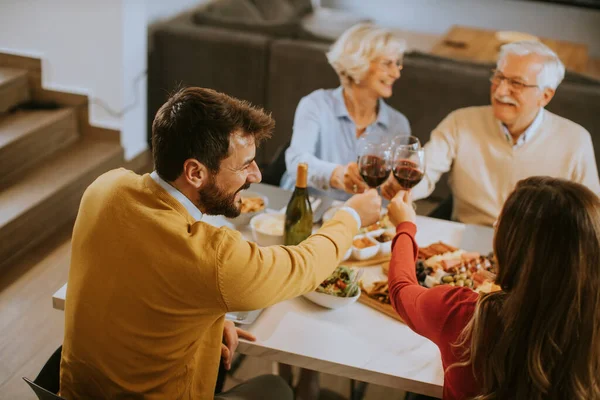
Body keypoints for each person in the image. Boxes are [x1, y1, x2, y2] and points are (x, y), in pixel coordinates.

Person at [59, 87, 382, 399]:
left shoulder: (105, 186)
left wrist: (207, 319)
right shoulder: (215, 257)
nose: (256, 175)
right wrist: (350, 217)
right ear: (195, 172)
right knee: (275, 388)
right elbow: (303, 266)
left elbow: (140, 282)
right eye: (244, 165)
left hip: (73, 392)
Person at [386, 177, 600, 399]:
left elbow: (401, 289)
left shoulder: (464, 315)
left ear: (511, 247)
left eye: (499, 224)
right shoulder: (589, 331)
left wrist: (405, 227)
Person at [381, 40, 600, 226]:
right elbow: (424, 171)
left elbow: (591, 215)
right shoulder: (461, 122)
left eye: (516, 83)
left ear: (545, 96)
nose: (501, 91)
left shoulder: (575, 140)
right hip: (467, 239)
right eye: (499, 77)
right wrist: (400, 185)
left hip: (536, 249)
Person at [281, 23, 411, 201]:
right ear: (358, 63)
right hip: (304, 208)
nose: (396, 73)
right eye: (387, 63)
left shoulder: (398, 124)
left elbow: (388, 193)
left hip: (359, 220)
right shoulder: (316, 104)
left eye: (397, 64)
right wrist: (338, 175)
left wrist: (394, 187)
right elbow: (296, 161)